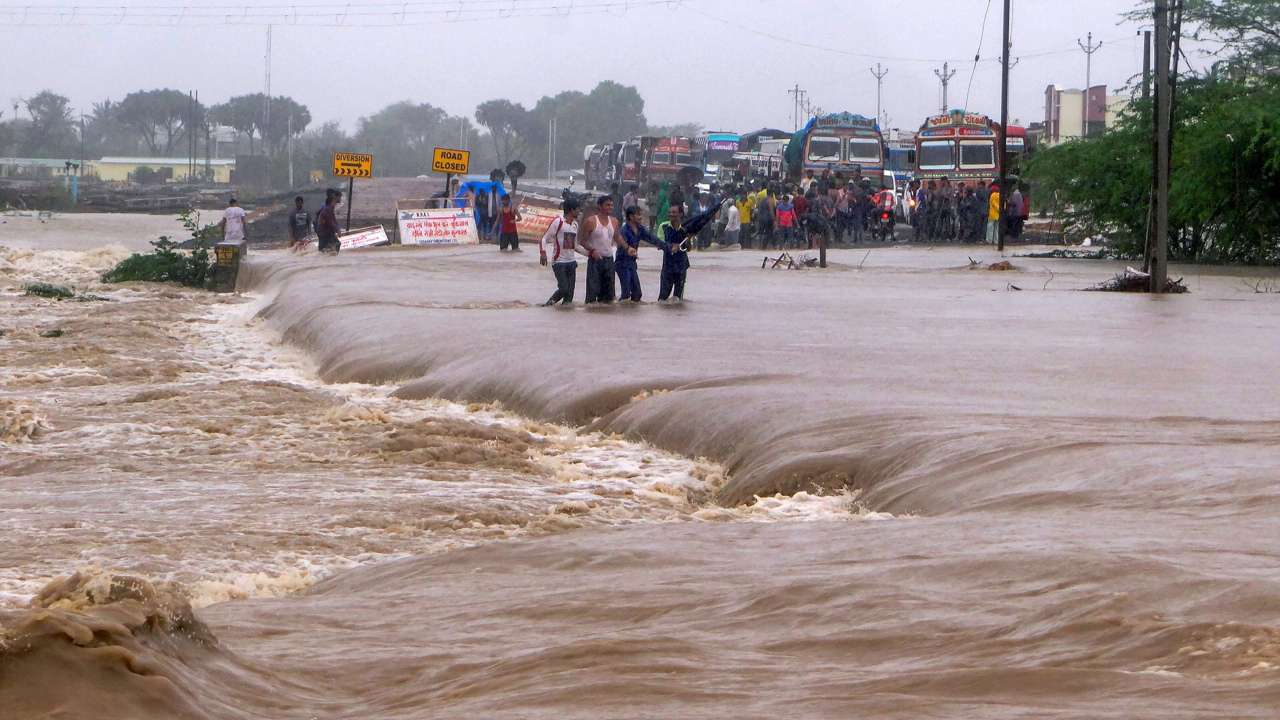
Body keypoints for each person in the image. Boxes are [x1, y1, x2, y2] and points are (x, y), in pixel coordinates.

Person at [577, 195, 619, 304]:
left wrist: (628, 248)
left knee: (609, 297)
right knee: (592, 296)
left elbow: (618, 238)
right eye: (607, 205)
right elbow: (582, 241)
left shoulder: (614, 221)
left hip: (609, 260)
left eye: (612, 205)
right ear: (599, 206)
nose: (610, 207)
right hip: (595, 260)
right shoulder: (591, 221)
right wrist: (592, 250)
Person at [539, 197, 581, 306]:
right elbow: (544, 238)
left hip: (571, 262)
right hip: (559, 262)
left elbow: (575, 246)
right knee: (563, 289)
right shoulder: (558, 222)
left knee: (569, 297)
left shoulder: (575, 225)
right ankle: (548, 305)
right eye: (577, 209)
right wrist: (543, 253)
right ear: (571, 210)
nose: (579, 211)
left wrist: (590, 253)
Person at [618, 205, 658, 302]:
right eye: (638, 215)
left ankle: (631, 313)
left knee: (637, 294)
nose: (641, 217)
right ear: (631, 217)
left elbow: (652, 239)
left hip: (632, 263)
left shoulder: (640, 229)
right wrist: (629, 249)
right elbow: (623, 245)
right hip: (622, 264)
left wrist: (666, 246)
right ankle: (621, 311)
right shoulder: (624, 230)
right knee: (626, 293)